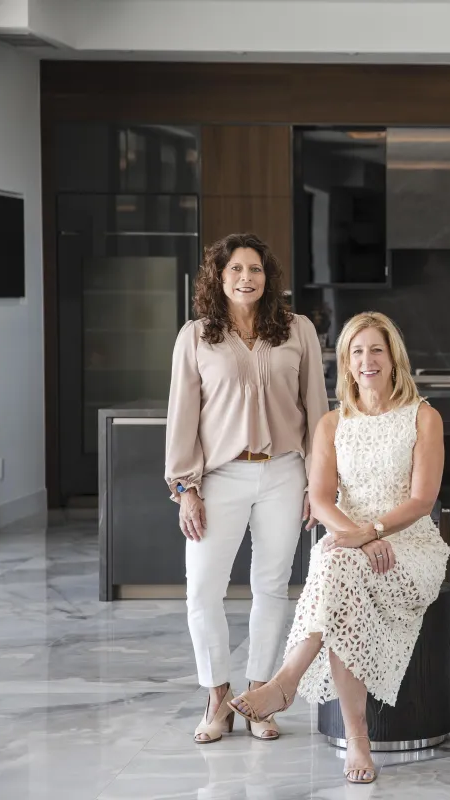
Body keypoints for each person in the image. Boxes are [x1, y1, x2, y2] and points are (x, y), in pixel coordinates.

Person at [230, 312, 449, 785]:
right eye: (357, 351)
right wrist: (359, 538)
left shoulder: (423, 417)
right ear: (346, 363)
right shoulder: (332, 423)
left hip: (409, 545)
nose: (368, 360)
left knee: (335, 566)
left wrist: (372, 532)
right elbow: (321, 498)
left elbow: (422, 500)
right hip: (352, 541)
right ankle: (355, 737)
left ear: (393, 357)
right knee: (339, 573)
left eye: (377, 350)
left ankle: (287, 683)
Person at [165, 232, 329, 744]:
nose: (245, 277)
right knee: (202, 591)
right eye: (235, 268)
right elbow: (183, 416)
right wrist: (186, 488)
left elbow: (317, 410)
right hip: (219, 476)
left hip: (284, 473)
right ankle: (218, 696)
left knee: (272, 586)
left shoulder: (298, 330)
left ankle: (260, 694)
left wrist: (317, 482)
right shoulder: (196, 336)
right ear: (218, 277)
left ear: (267, 276)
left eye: (254, 268)